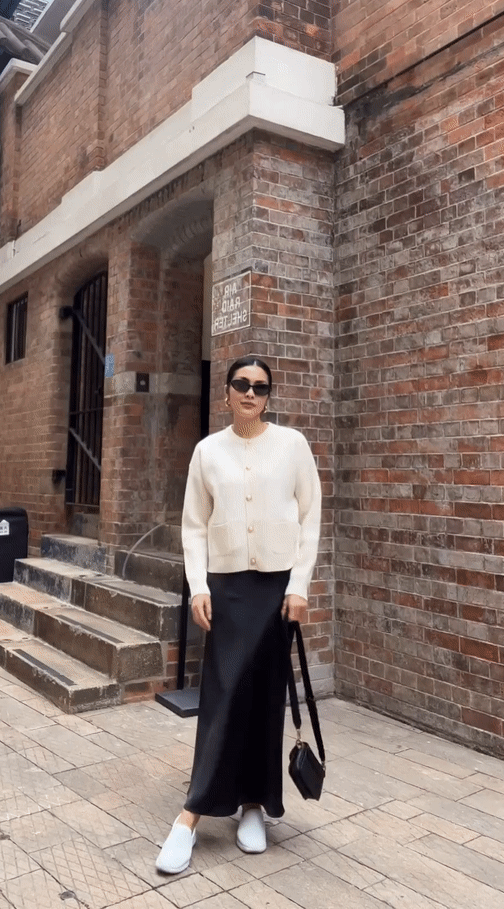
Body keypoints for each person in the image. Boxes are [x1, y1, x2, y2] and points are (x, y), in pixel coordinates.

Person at [156, 355, 321, 874]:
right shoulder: (207, 451)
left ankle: (254, 805)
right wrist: (198, 586)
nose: (251, 393)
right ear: (226, 392)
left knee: (265, 695)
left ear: (269, 396)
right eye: (241, 384)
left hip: (276, 589)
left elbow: (310, 517)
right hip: (226, 589)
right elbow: (194, 525)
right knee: (223, 693)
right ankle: (191, 814)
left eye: (261, 387)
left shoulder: (292, 445)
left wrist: (299, 586)